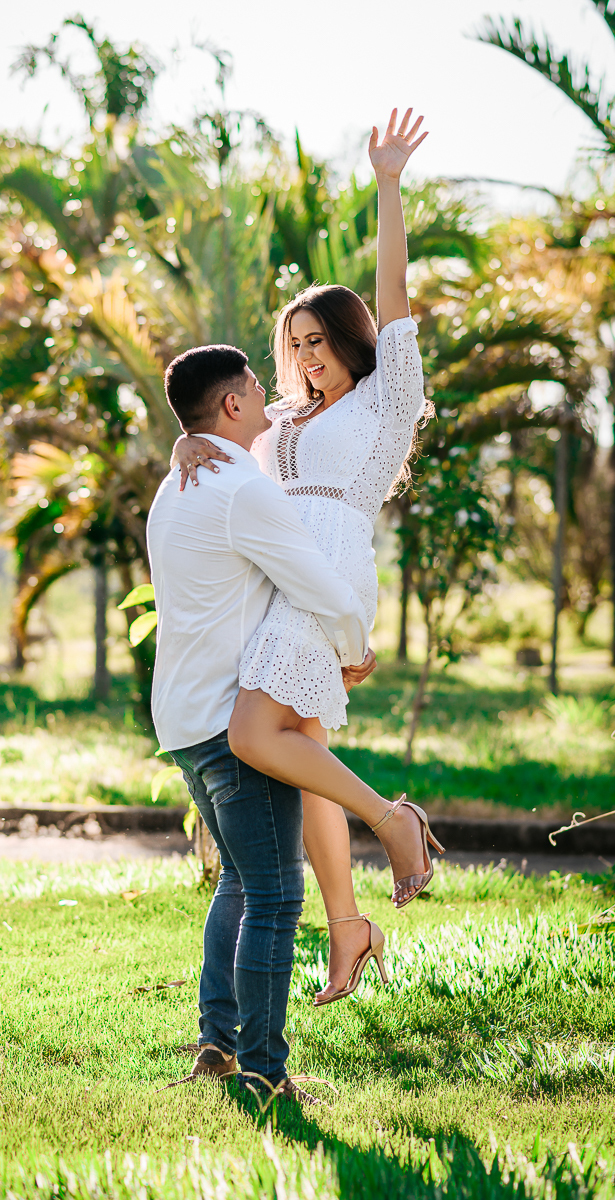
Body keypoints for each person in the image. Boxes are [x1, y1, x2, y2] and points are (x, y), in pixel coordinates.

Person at [171, 108, 443, 1006]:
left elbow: (394, 289)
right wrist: (187, 447)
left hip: (326, 570)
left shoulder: (384, 401)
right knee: (296, 751)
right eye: (293, 348)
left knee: (257, 736)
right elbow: (220, 434)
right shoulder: (283, 420)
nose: (303, 359)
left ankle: (391, 818)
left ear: (350, 339)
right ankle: (348, 928)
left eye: (317, 342)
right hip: (273, 575)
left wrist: (389, 187)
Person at [148, 343, 376, 1102]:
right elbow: (324, 588)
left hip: (181, 717)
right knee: (275, 893)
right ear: (234, 406)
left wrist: (187, 434)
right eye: (254, 385)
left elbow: (279, 413)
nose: (268, 392)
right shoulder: (243, 490)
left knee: (240, 887)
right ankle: (263, 1072)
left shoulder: (177, 480)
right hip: (228, 719)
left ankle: (217, 1046)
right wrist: (356, 648)